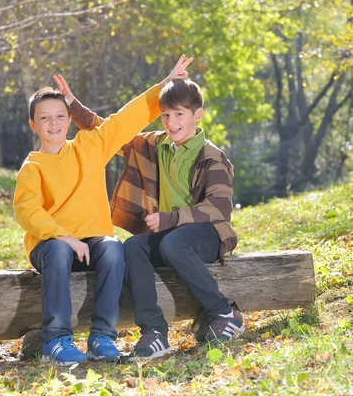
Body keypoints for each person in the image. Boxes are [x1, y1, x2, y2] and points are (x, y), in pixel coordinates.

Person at [13, 55, 192, 366]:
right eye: (44, 118)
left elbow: (124, 120)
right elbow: (27, 211)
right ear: (33, 124)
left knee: (112, 248)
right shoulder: (32, 167)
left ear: (69, 119)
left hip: (92, 243)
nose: (53, 123)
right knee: (56, 251)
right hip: (52, 246)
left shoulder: (89, 147)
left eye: (59, 116)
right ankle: (56, 339)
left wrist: (164, 85)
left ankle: (102, 337)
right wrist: (64, 237)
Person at [59, 72, 244, 361]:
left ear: (197, 115)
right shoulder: (153, 146)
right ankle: (154, 331)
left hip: (207, 234)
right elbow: (109, 133)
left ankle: (224, 312)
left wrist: (170, 219)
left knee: (173, 244)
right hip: (171, 237)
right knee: (132, 246)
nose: (171, 123)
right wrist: (73, 106)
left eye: (178, 114)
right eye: (165, 115)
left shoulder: (212, 156)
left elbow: (219, 207)